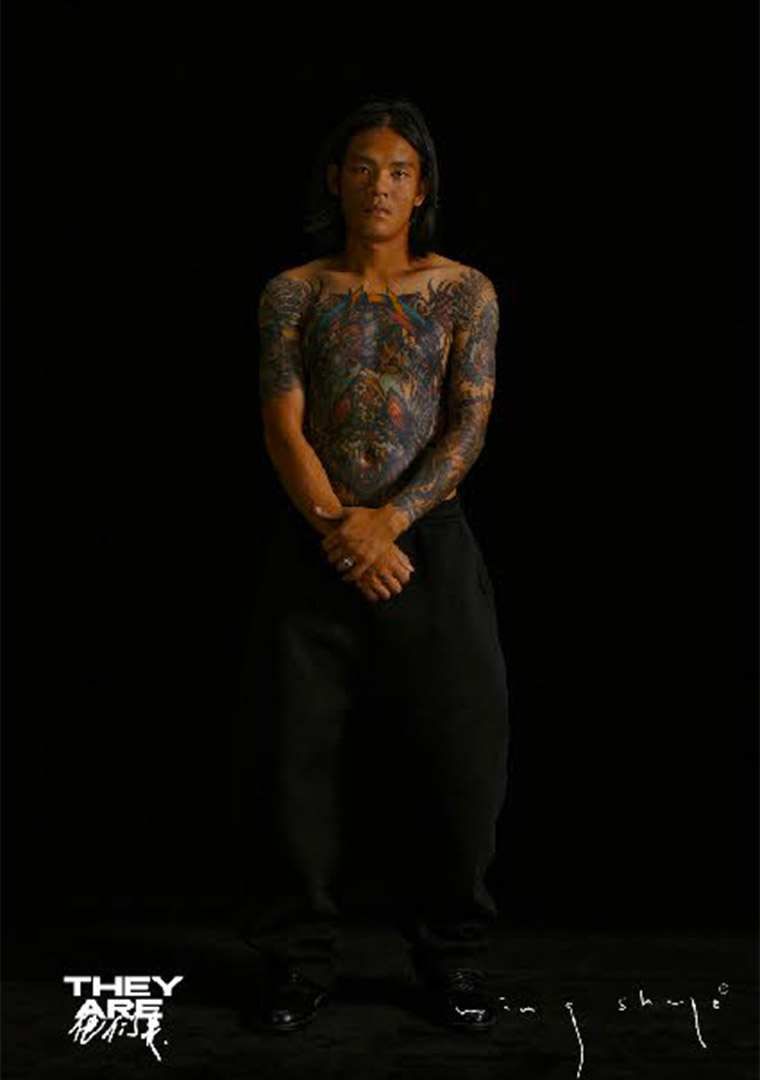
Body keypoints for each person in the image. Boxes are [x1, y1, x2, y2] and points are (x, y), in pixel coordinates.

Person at [232, 96, 510, 1033]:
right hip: (316, 536)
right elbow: (283, 424)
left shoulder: (464, 291)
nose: (379, 186)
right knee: (295, 759)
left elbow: (468, 423)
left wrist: (388, 522)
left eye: (398, 171)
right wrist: (340, 529)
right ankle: (297, 962)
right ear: (335, 180)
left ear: (421, 187)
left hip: (426, 535)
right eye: (362, 167)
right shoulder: (293, 291)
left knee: (459, 755)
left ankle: (452, 959)